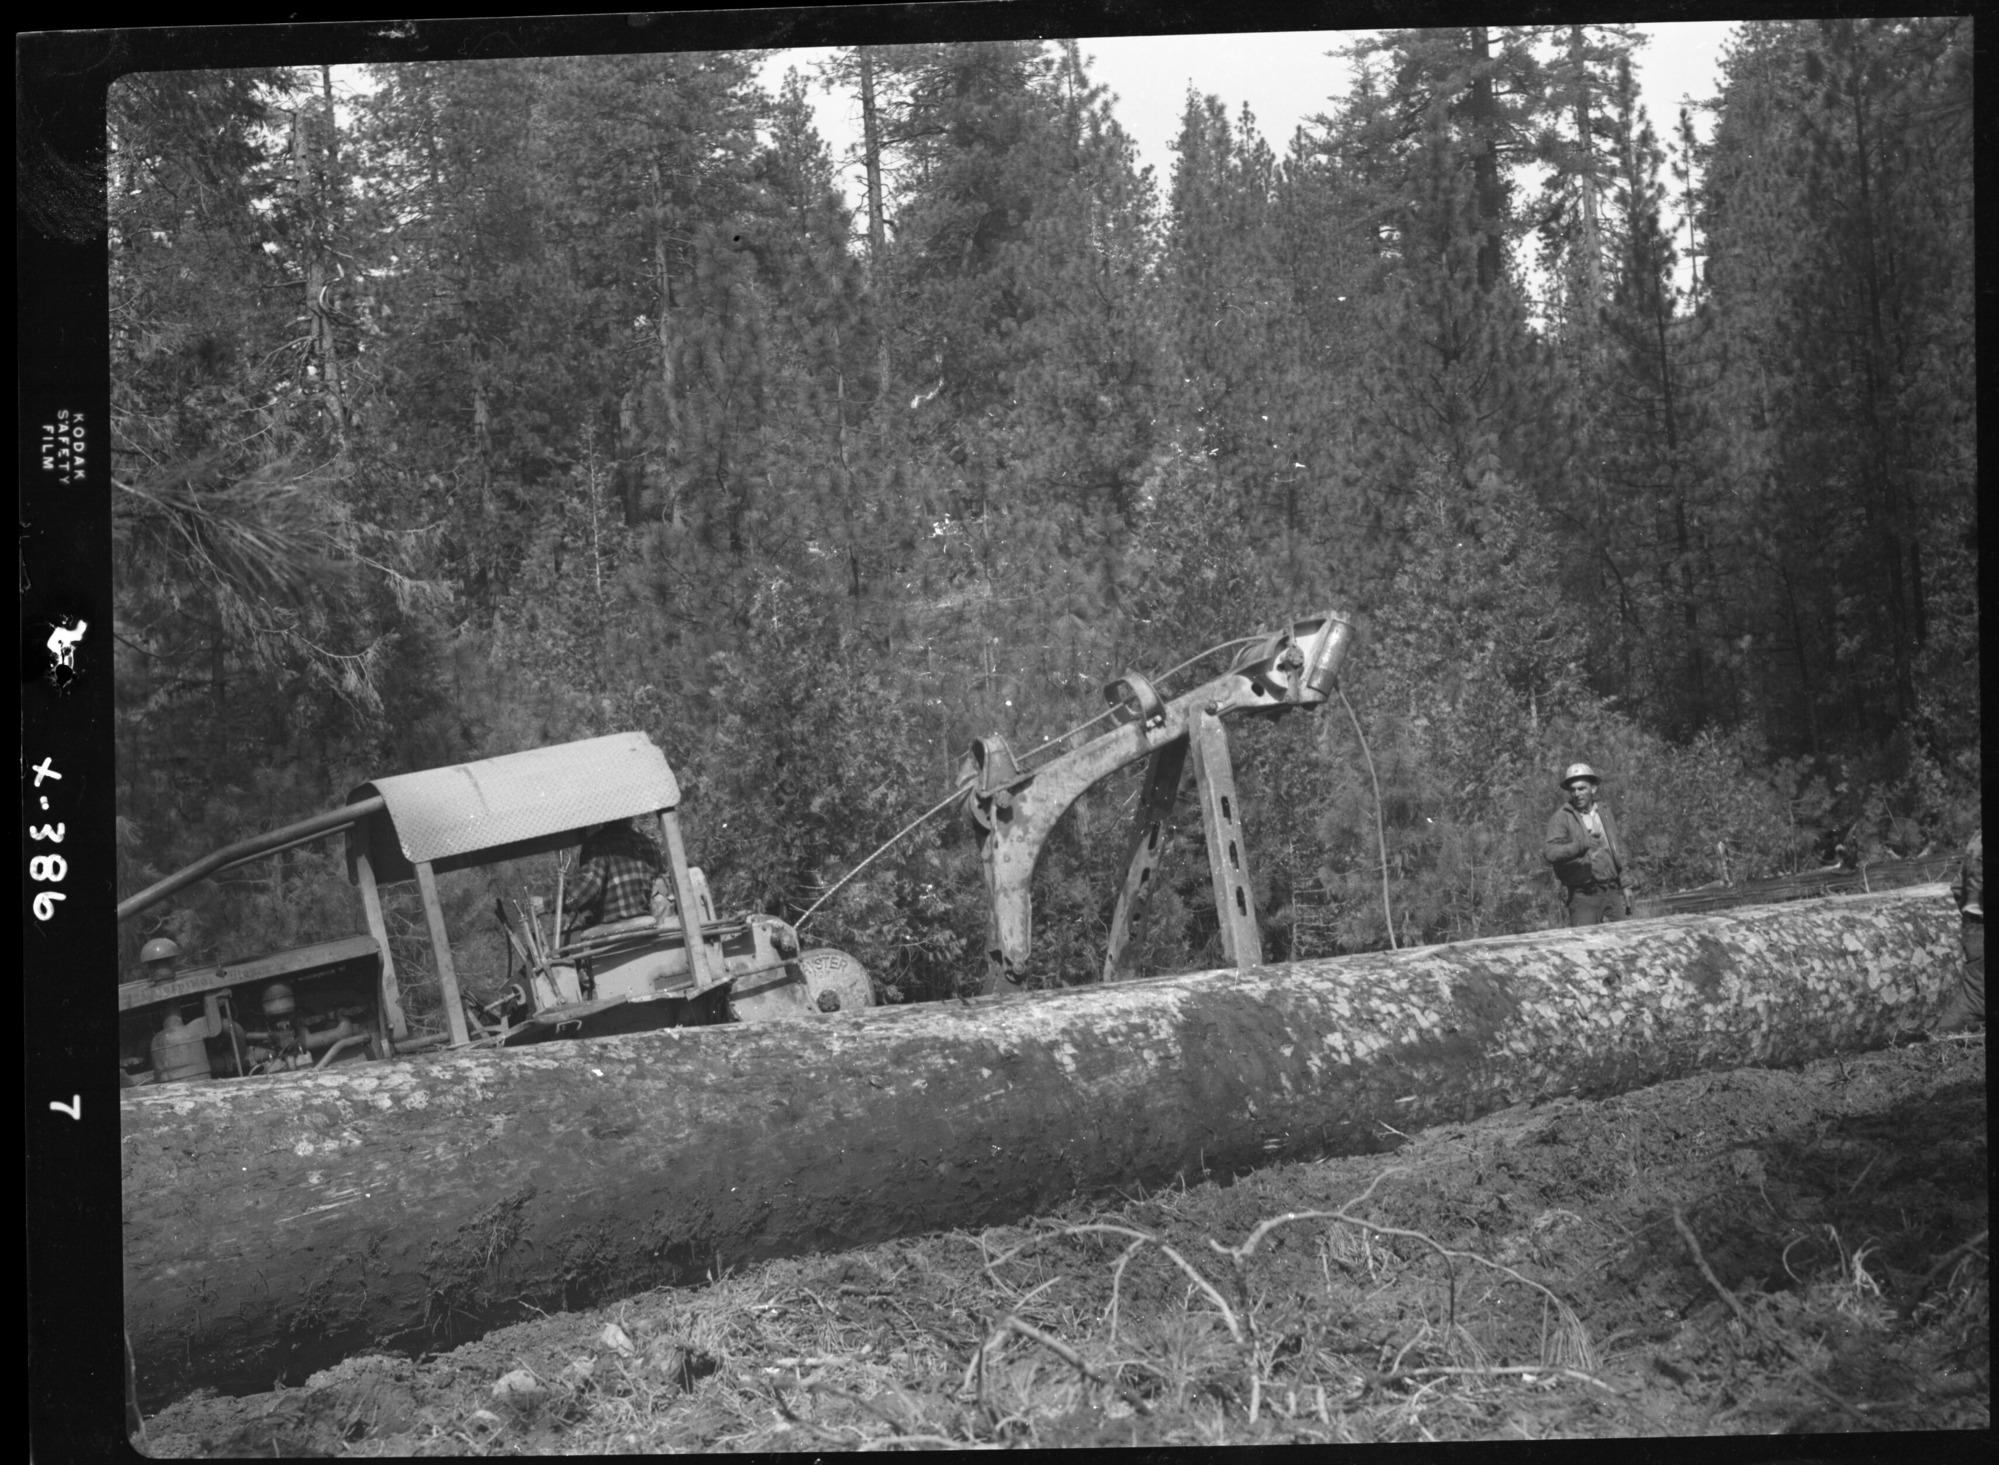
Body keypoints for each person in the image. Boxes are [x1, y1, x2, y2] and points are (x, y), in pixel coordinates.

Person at [1544, 762, 1630, 926]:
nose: (1577, 793)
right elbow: (1550, 852)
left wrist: (1626, 885)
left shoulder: (1605, 812)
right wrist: (1581, 844)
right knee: (1586, 946)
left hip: (1612, 892)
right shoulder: (1562, 818)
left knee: (1623, 942)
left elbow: (1619, 850)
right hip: (1583, 896)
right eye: (1573, 789)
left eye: (1582, 788)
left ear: (1593, 788)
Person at [562, 817, 666, 942]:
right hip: (647, 923)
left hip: (611, 931)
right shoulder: (648, 844)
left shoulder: (597, 845)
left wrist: (548, 904)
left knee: (563, 943)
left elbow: (582, 893)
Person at [1933, 828, 1983, 1034]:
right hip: (1981, 925)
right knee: (1975, 998)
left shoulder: (1978, 837)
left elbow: (1956, 888)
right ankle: (1941, 1039)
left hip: (1973, 925)